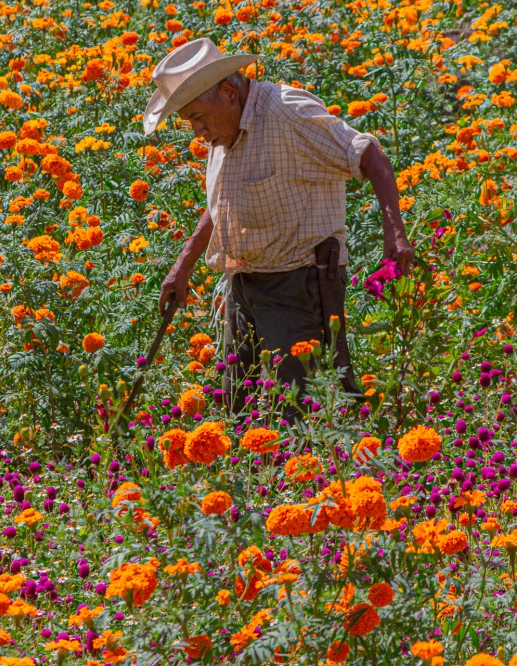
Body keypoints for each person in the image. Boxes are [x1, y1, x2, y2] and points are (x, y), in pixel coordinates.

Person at [144, 37, 413, 414]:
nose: (196, 132)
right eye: (189, 121)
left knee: (301, 414)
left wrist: (395, 236)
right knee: (241, 409)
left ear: (227, 92)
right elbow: (224, 197)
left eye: (198, 117)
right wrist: (183, 264)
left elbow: (369, 155)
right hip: (245, 285)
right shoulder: (226, 132)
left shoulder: (288, 113)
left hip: (298, 286)